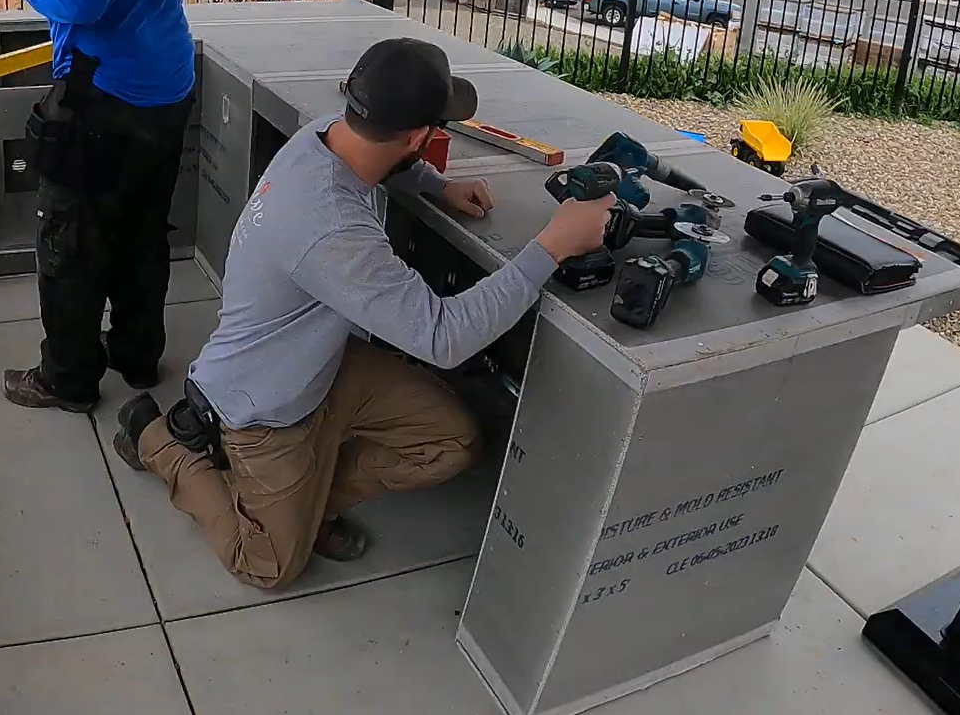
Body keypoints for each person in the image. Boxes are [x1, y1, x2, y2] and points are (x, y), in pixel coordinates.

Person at [107, 38, 614, 590]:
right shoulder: (331, 227)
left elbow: (383, 164)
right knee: (270, 566)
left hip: (321, 363)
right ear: (419, 135)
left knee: (452, 441)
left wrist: (438, 185)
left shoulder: (327, 134)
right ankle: (161, 442)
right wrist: (552, 247)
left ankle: (306, 498)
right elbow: (444, 337)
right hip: (265, 408)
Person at [0, 0, 196, 414]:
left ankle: (68, 378)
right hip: (167, 79)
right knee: (142, 231)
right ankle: (137, 356)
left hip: (105, 94)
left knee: (71, 240)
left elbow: (79, 1)